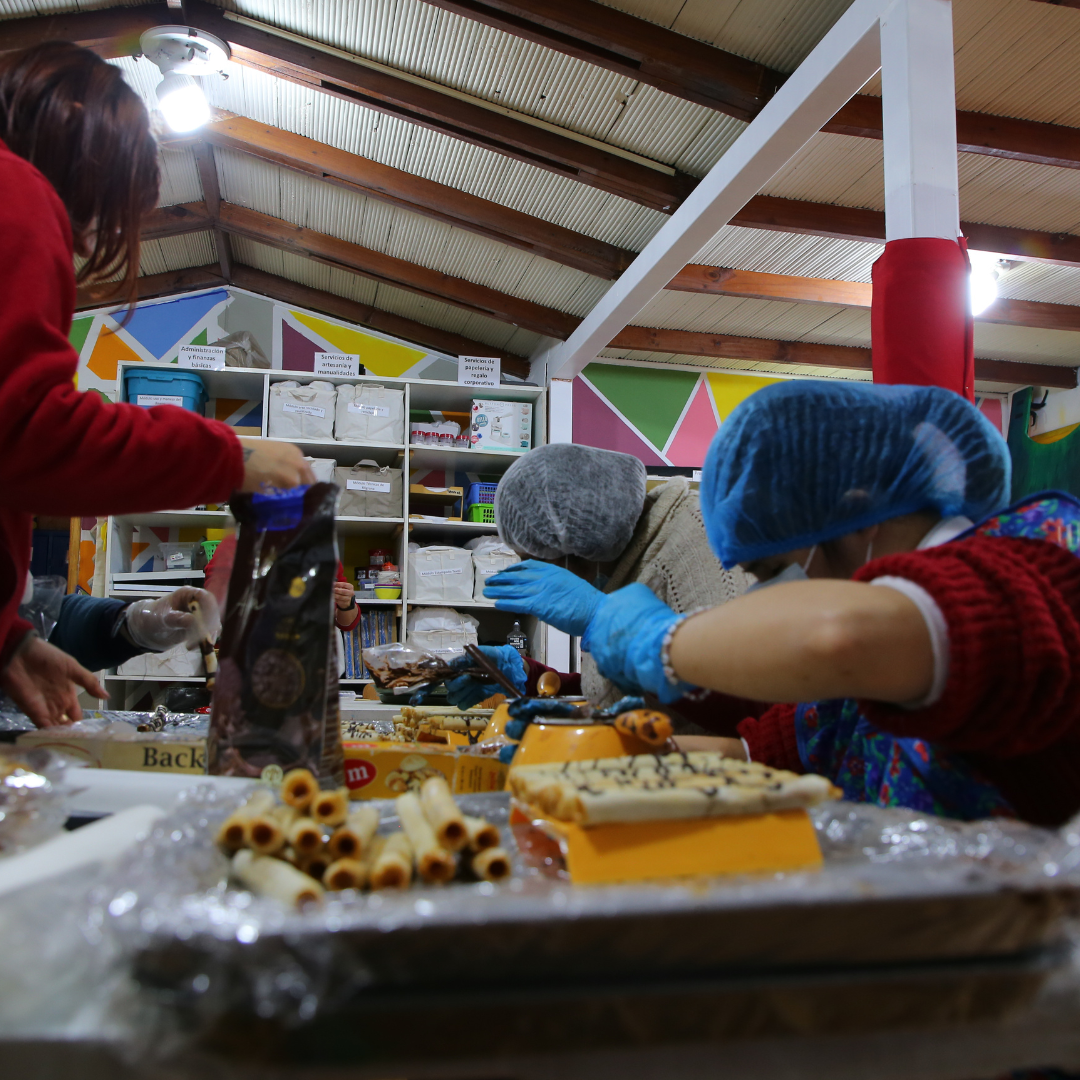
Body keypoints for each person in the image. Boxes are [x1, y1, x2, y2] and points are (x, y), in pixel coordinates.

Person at [567, 381, 1080, 827]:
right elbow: (767, 752)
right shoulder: (860, 679)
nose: (766, 596)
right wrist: (609, 753)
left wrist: (656, 641)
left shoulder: (1039, 566)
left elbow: (839, 638)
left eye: (770, 571)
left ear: (856, 511)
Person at [0, 43, 313, 727]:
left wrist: (10, 641)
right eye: (99, 214)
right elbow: (27, 437)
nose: (85, 245)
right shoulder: (13, 190)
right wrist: (231, 457)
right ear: (86, 152)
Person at [442, 443, 753, 715]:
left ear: (577, 545)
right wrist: (527, 674)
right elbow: (620, 693)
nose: (538, 577)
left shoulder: (698, 546)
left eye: (537, 561)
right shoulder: (623, 563)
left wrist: (609, 622)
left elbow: (737, 702)